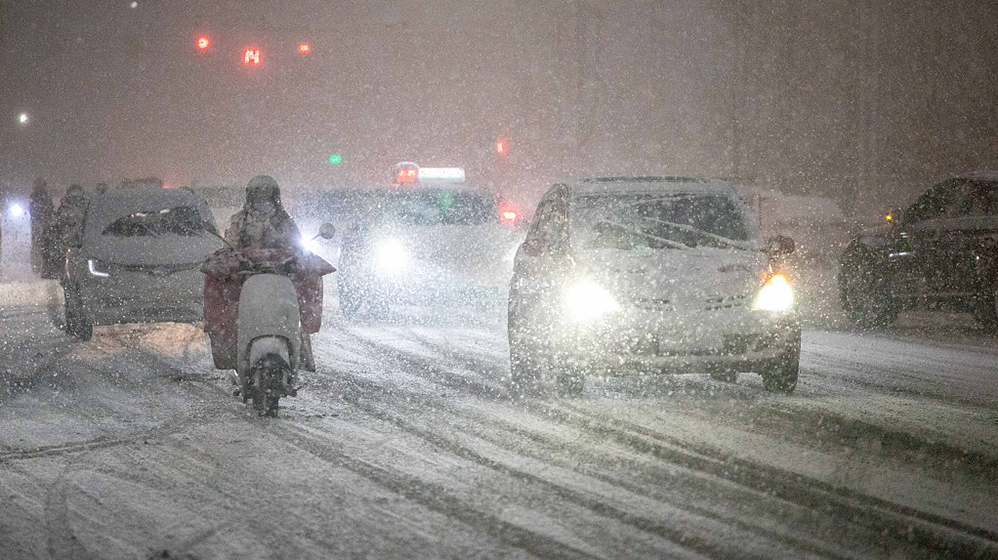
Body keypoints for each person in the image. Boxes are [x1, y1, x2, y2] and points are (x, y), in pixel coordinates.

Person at [223, 175, 302, 250]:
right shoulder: (239, 219)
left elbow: (296, 246)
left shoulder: (284, 219)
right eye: (257, 188)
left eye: (267, 188)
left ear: (273, 192)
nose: (262, 191)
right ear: (251, 192)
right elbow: (230, 244)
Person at [46, 185, 89, 279]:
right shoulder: (87, 207)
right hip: (79, 243)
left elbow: (56, 223)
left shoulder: (65, 208)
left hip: (72, 243)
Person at [29, 178, 55, 275]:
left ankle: (38, 267)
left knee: (38, 246)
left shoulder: (37, 196)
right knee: (42, 246)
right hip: (42, 224)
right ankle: (40, 267)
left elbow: (33, 210)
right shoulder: (44, 196)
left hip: (40, 224)